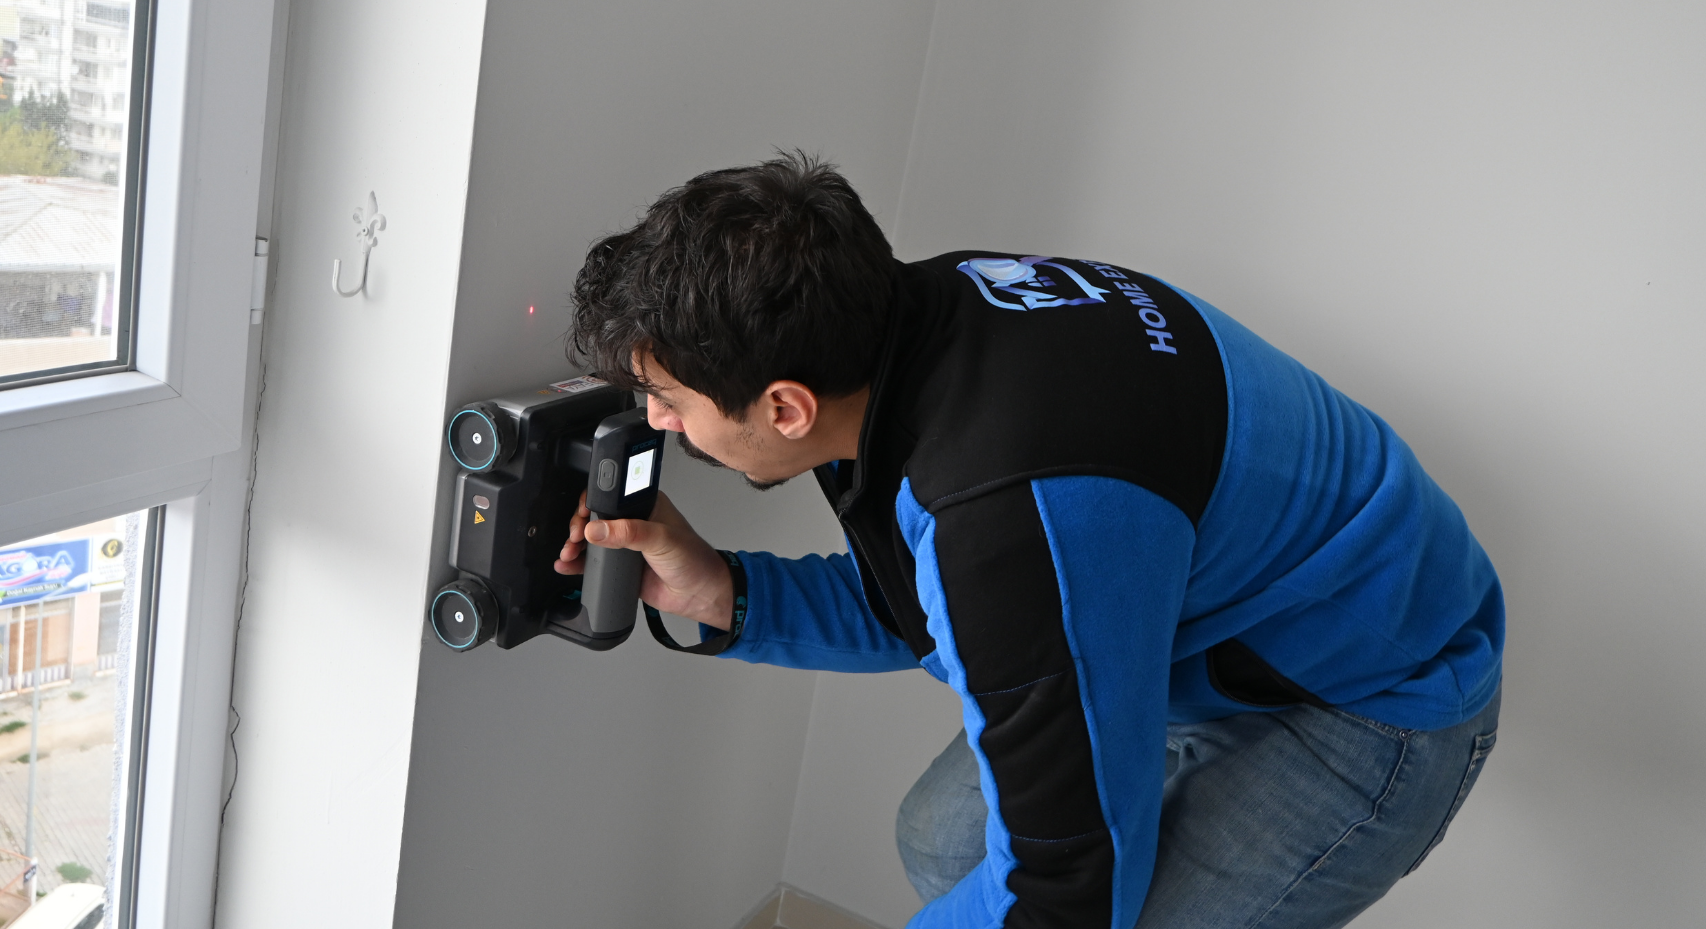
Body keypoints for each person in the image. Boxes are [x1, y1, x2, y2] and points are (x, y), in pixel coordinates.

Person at [559, 152, 1504, 929]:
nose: (659, 421)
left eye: (670, 400)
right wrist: (721, 591)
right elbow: (931, 599)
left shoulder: (1007, 514)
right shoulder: (910, 319)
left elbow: (1066, 896)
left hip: (1372, 692)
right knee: (942, 842)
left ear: (785, 408)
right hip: (1221, 622)